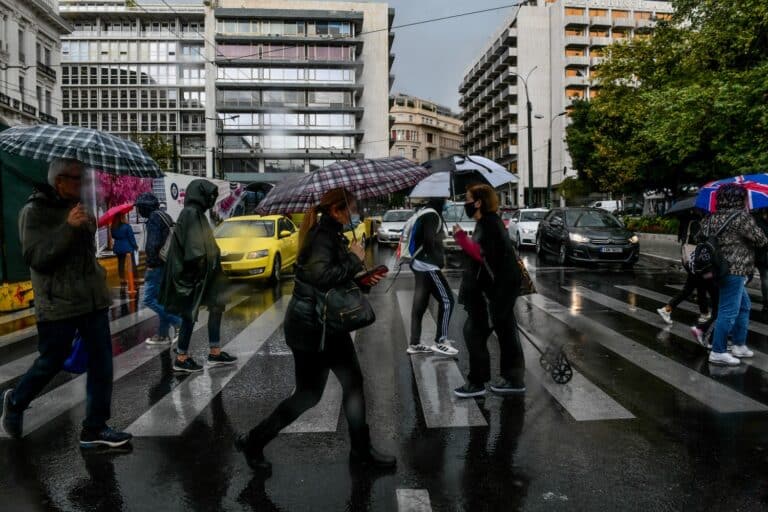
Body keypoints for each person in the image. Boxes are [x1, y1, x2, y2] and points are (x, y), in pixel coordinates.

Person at [236, 188, 395, 472]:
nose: (354, 214)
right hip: (316, 328)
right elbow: (321, 277)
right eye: (351, 209)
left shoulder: (328, 234)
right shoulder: (322, 237)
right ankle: (359, 453)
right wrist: (354, 258)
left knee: (318, 393)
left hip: (318, 324)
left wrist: (360, 279)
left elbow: (327, 280)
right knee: (337, 389)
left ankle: (255, 441)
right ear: (336, 210)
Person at [0, 158, 132, 447]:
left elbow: (85, 253)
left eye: (83, 179)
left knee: (101, 363)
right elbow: (36, 258)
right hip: (57, 303)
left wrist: (86, 224)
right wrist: (68, 228)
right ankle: (16, 401)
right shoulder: (32, 213)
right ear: (58, 181)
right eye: (75, 178)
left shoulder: (79, 208)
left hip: (91, 300)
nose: (81, 184)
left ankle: (95, 428)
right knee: (51, 361)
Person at [452, 184, 525, 397]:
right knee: (503, 332)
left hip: (494, 290)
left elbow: (480, 254)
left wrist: (461, 239)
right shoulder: (488, 222)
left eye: (467, 199)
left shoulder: (489, 223)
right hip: (497, 288)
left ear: (478, 202)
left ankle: (480, 382)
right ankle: (511, 378)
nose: (465, 203)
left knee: (477, 332)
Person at [159, 179, 236, 373]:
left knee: (215, 306)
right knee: (189, 314)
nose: (212, 199)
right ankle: (182, 357)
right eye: (210, 196)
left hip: (204, 274)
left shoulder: (195, 214)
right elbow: (196, 250)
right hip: (196, 276)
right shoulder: (192, 214)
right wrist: (203, 271)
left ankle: (214, 352)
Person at [706, 184, 768, 366]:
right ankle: (718, 351)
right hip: (735, 270)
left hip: (718, 268)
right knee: (728, 311)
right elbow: (761, 240)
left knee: (744, 306)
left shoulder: (712, 217)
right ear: (738, 199)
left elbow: (701, 235)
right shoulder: (741, 218)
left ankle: (739, 345)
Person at [406, 198, 458, 356]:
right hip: (428, 264)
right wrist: (438, 258)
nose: (447, 202)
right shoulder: (432, 215)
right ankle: (441, 340)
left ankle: (414, 343)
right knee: (448, 300)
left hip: (418, 262)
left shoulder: (424, 212)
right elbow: (429, 240)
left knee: (420, 304)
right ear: (439, 200)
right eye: (445, 199)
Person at [135, 192, 182, 345]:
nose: (138, 211)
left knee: (148, 299)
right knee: (161, 300)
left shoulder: (154, 218)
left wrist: (150, 264)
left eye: (139, 208)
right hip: (166, 264)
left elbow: (153, 244)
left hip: (157, 265)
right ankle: (162, 335)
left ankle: (178, 323)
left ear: (145, 207)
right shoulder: (164, 215)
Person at [111, 213, 138, 286]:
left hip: (118, 247)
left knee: (120, 264)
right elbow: (131, 238)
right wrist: (135, 246)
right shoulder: (127, 226)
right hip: (128, 247)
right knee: (132, 263)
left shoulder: (113, 227)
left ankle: (122, 279)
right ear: (123, 217)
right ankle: (134, 278)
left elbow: (113, 236)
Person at [753, 209, 768, 316]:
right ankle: (766, 304)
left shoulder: (757, 219)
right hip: (764, 253)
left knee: (746, 274)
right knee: (765, 277)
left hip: (756, 252)